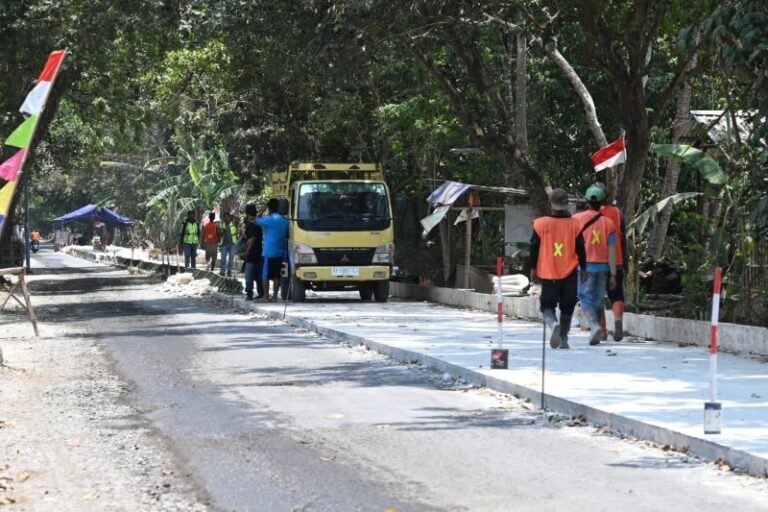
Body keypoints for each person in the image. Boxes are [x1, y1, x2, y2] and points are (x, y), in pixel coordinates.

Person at [530, 188, 587, 349]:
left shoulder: (540, 224)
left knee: (547, 305)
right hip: (570, 272)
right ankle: (563, 339)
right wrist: (584, 268)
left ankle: (553, 323)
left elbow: (533, 247)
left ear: (551, 204)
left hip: (549, 272)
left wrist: (533, 267)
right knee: (567, 306)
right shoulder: (575, 224)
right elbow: (580, 247)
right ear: (567, 204)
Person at [574, 185, 617, 346]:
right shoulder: (609, 223)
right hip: (603, 268)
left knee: (585, 297)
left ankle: (594, 326)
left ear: (586, 201)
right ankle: (599, 330)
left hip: (584, 267)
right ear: (602, 203)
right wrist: (613, 274)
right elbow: (612, 251)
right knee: (598, 299)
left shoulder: (576, 219)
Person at [596, 182, 627, 341]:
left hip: (596, 262)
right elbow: (623, 239)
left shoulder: (588, 215)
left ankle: (602, 330)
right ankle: (618, 321)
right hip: (617, 260)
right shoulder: (617, 212)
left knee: (597, 297)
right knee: (616, 295)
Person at [256, 198, 289, 301]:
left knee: (265, 275)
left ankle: (266, 296)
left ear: (269, 209)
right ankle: (275, 296)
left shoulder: (269, 220)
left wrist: (262, 209)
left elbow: (256, 220)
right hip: (281, 252)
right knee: (276, 276)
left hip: (268, 252)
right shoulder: (285, 220)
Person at [242, 203, 265, 300]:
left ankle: (249, 294)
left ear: (247, 214)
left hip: (251, 254)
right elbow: (259, 215)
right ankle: (261, 292)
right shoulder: (257, 223)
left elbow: (252, 238)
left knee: (249, 276)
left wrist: (246, 251)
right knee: (258, 276)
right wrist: (264, 208)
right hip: (259, 253)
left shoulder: (251, 225)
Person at [218, 212, 238, 277]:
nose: (226, 218)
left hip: (232, 244)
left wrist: (234, 217)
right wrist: (222, 232)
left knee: (231, 259)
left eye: (227, 217)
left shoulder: (234, 224)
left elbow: (238, 219)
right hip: (224, 244)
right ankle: (222, 271)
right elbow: (219, 234)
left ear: (229, 217)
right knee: (223, 259)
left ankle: (229, 271)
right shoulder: (222, 225)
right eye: (225, 217)